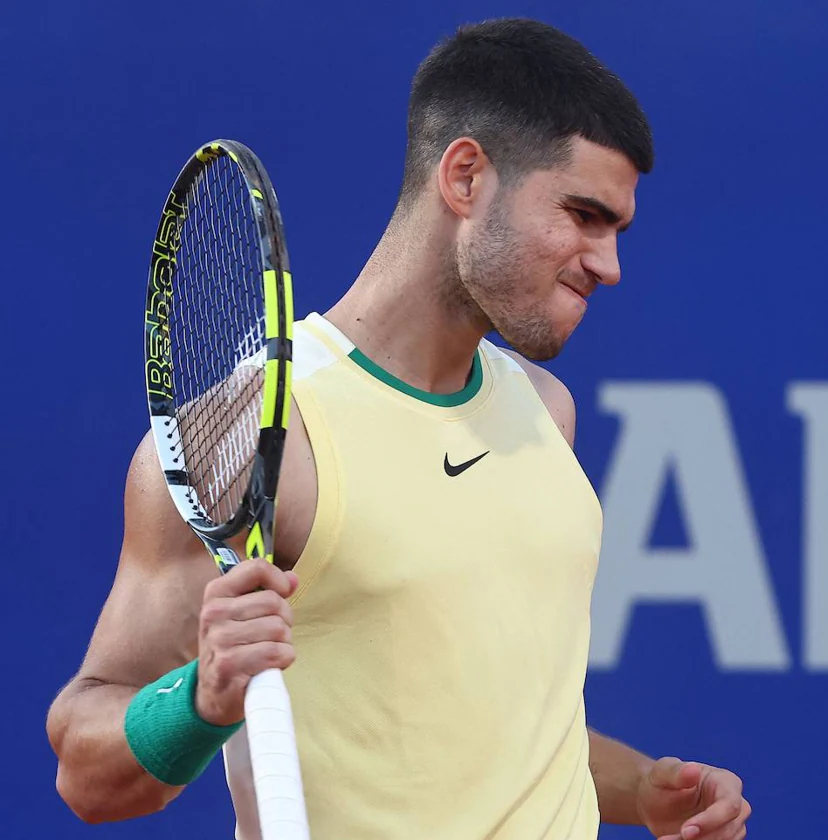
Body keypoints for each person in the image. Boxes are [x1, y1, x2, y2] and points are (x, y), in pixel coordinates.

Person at [47, 17, 752, 840]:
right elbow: (85, 771)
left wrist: (644, 788)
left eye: (616, 229)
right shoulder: (256, 441)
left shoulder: (544, 414)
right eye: (583, 214)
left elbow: (487, 730)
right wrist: (200, 697)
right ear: (465, 176)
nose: (608, 263)